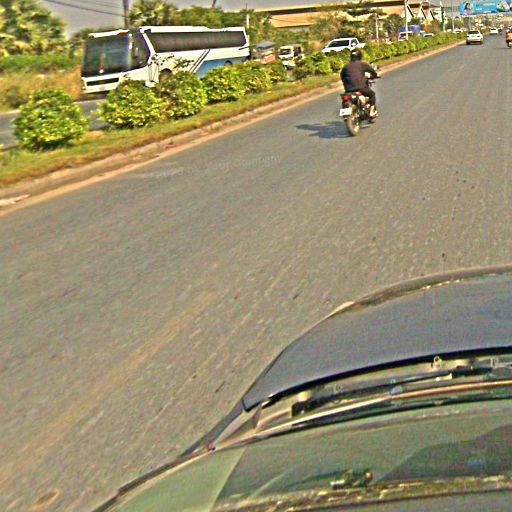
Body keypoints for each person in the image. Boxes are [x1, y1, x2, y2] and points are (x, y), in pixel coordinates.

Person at [341, 49, 379, 117]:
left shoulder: (346, 66)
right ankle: (371, 112)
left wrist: (346, 84)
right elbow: (372, 71)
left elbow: (342, 76)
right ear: (360, 56)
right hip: (360, 87)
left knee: (344, 98)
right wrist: (375, 76)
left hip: (348, 89)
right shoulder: (362, 64)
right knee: (372, 95)